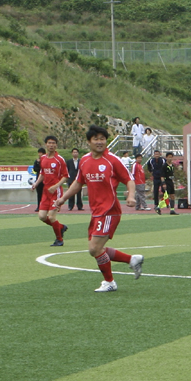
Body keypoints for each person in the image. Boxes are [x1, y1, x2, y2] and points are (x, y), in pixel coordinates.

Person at [55, 125, 144, 292]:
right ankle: (132, 260)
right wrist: (63, 198)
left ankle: (110, 282)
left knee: (94, 248)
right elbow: (78, 183)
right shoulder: (85, 161)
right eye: (95, 139)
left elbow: (129, 179)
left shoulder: (112, 160)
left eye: (102, 138)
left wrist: (131, 196)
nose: (99, 142)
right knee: (97, 249)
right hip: (96, 212)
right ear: (89, 141)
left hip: (110, 209)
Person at [34, 135, 70, 247]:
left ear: (56, 145)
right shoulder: (43, 158)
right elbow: (42, 173)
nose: (51, 145)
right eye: (49, 143)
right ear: (46, 144)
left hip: (56, 191)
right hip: (45, 192)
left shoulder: (59, 160)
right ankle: (61, 227)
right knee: (42, 216)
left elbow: (66, 176)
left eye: (53, 143)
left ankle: (59, 239)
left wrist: (56, 186)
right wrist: (36, 183)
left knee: (52, 217)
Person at [31, 147, 46, 212]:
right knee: (39, 193)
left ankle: (46, 207)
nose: (40, 155)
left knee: (46, 194)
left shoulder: (46, 160)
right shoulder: (37, 161)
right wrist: (38, 163)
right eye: (39, 153)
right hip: (38, 179)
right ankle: (39, 206)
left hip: (46, 179)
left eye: (41, 153)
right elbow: (35, 169)